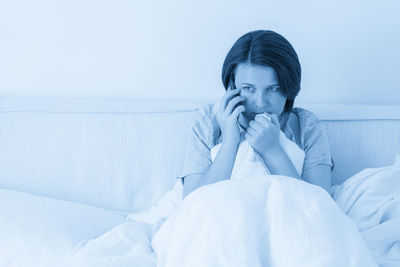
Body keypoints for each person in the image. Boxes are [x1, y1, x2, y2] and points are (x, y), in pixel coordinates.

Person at [180, 29, 334, 199]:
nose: (260, 102)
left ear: (288, 88)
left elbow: (320, 205)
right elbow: (192, 206)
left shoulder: (307, 127)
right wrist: (230, 143)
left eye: (273, 89)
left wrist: (273, 151)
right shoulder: (207, 128)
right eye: (248, 88)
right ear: (232, 86)